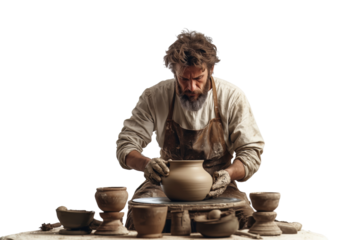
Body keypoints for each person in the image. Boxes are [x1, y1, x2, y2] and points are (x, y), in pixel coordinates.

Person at [115, 26, 266, 232]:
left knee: (250, 221)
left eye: (198, 79)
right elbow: (126, 145)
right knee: (140, 215)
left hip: (218, 185)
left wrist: (228, 174)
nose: (191, 87)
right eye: (184, 79)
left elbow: (251, 152)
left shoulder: (233, 96)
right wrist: (146, 164)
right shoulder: (155, 95)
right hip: (166, 183)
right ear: (174, 72)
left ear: (211, 69)